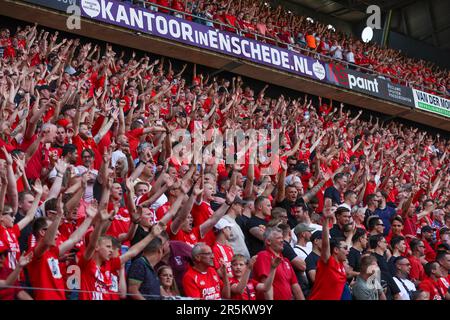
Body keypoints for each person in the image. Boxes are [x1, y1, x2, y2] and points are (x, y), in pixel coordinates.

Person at [252, 227, 305, 300]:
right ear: (268, 241)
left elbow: (295, 286)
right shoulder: (263, 256)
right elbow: (266, 285)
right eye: (278, 238)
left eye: (282, 238)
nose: (282, 241)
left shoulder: (285, 260)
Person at [309, 206, 348, 300]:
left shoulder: (341, 265)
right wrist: (326, 221)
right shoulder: (328, 262)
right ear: (336, 250)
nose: (348, 251)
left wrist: (350, 235)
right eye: (345, 248)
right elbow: (326, 245)